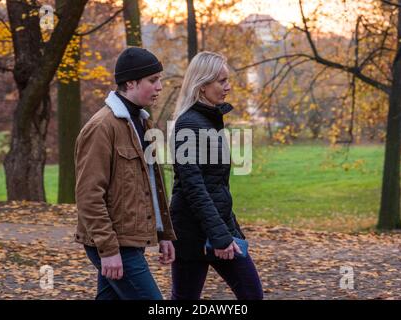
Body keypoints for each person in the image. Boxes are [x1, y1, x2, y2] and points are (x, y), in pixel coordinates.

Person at [74, 47, 176, 300]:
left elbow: (152, 185)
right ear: (130, 83)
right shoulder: (102, 127)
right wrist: (108, 249)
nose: (160, 86)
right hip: (114, 244)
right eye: (153, 80)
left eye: (159, 79)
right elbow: (89, 195)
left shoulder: (142, 123)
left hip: (129, 241)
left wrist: (163, 233)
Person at [169, 51, 263, 300]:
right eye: (221, 81)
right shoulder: (189, 124)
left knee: (251, 293)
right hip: (192, 235)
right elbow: (194, 187)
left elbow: (216, 186)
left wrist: (230, 230)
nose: (228, 87)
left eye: (227, 80)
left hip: (215, 229)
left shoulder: (208, 122)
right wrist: (221, 237)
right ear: (202, 85)